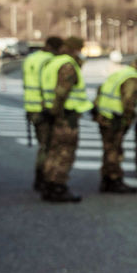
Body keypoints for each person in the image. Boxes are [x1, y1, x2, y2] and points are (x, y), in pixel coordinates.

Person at [39, 36, 93, 203]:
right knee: (64, 152)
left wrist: (49, 111)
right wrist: (56, 111)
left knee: (53, 151)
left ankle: (48, 184)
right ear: (74, 49)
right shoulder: (68, 65)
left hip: (53, 113)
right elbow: (62, 92)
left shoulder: (52, 62)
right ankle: (58, 186)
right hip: (65, 115)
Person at [94, 53, 137, 193]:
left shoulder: (124, 72)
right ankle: (114, 179)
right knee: (115, 150)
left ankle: (107, 179)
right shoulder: (133, 78)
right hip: (115, 119)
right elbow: (128, 101)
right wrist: (127, 120)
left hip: (104, 115)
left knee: (109, 149)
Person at [22, 35, 63, 192]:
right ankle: (44, 178)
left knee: (43, 145)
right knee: (48, 146)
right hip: (43, 108)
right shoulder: (50, 60)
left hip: (31, 107)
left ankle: (40, 178)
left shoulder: (31, 59)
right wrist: (49, 107)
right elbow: (46, 84)